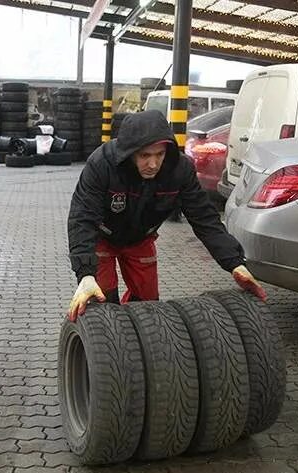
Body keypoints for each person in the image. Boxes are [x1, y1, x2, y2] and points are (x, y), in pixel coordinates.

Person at [66, 110, 266, 321]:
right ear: (129, 153)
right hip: (102, 238)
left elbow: (205, 219)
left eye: (159, 155)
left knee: (150, 304)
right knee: (101, 302)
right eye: (144, 156)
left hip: (140, 239)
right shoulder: (102, 164)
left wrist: (235, 263)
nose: (153, 164)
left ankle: (135, 338)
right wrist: (85, 274)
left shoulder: (180, 170)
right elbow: (82, 217)